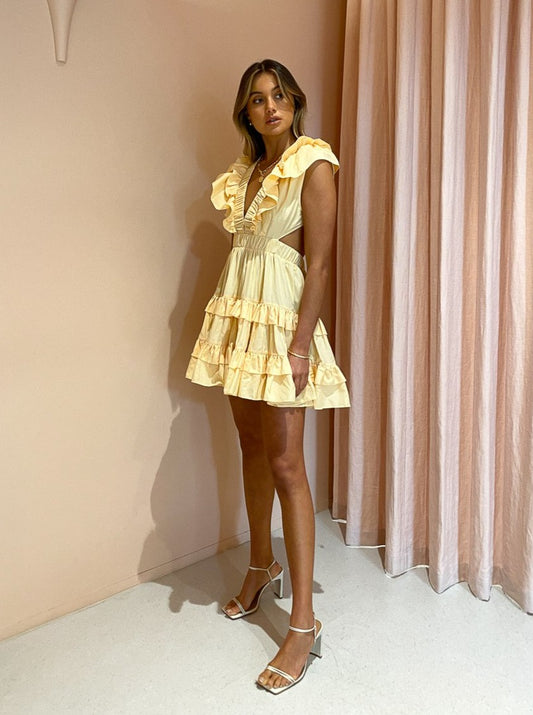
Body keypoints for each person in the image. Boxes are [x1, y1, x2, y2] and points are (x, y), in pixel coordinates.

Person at [186, 59, 349, 694]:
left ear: (294, 101)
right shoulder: (244, 174)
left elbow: (320, 263)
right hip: (240, 321)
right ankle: (261, 565)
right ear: (247, 113)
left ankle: (303, 625)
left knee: (287, 464)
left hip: (283, 326)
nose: (271, 106)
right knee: (251, 448)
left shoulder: (313, 161)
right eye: (258, 99)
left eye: (279, 95)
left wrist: (302, 344)